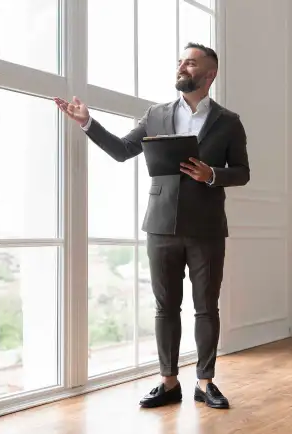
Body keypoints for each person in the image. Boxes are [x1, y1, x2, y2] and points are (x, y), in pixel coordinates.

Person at [55, 43, 250, 410]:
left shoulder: (228, 121)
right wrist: (87, 122)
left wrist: (212, 174)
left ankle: (205, 382)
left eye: (190, 63)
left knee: (206, 307)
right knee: (165, 307)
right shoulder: (156, 114)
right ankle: (169, 381)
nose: (182, 67)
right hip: (160, 226)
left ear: (210, 74)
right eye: (180, 61)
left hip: (206, 227)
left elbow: (242, 172)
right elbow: (120, 150)